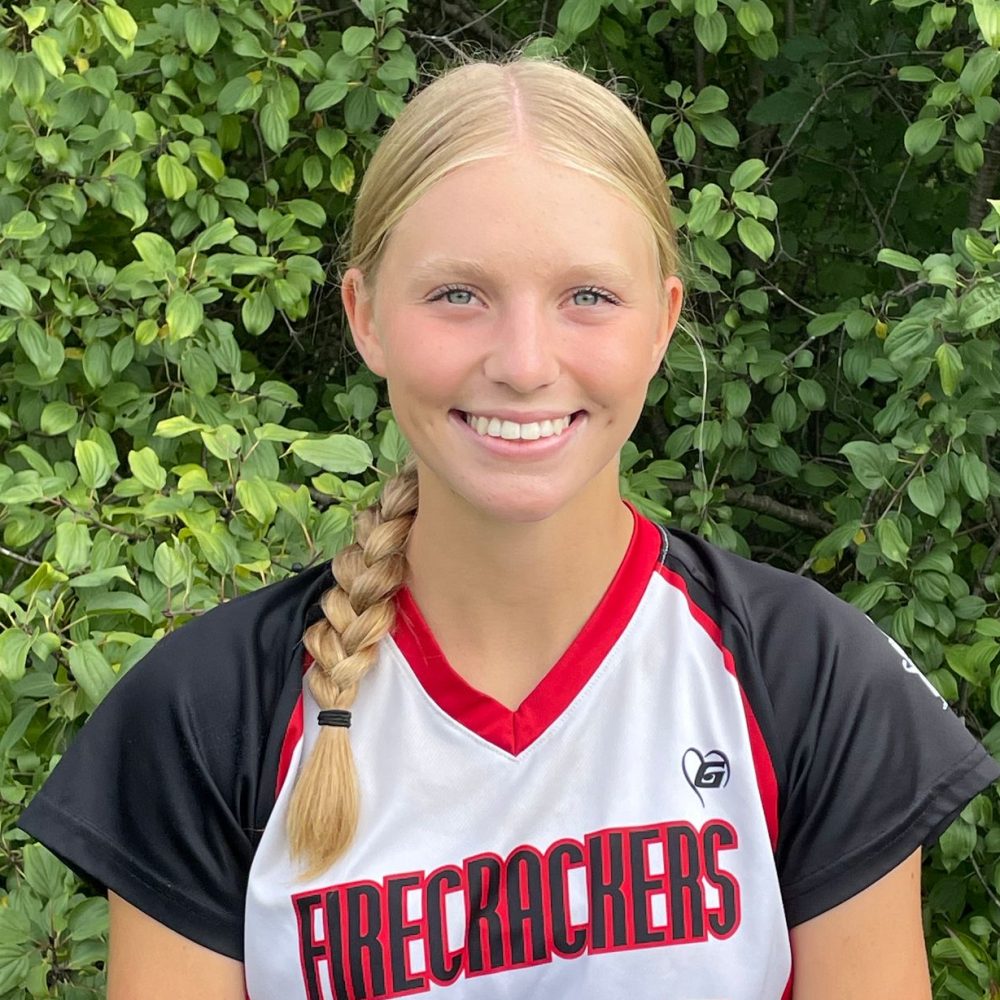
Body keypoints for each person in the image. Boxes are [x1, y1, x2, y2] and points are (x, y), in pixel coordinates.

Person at [17, 54, 999, 1000]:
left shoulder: (812, 680)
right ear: (365, 316)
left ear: (661, 322)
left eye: (588, 297)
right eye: (458, 294)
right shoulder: (207, 712)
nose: (524, 363)